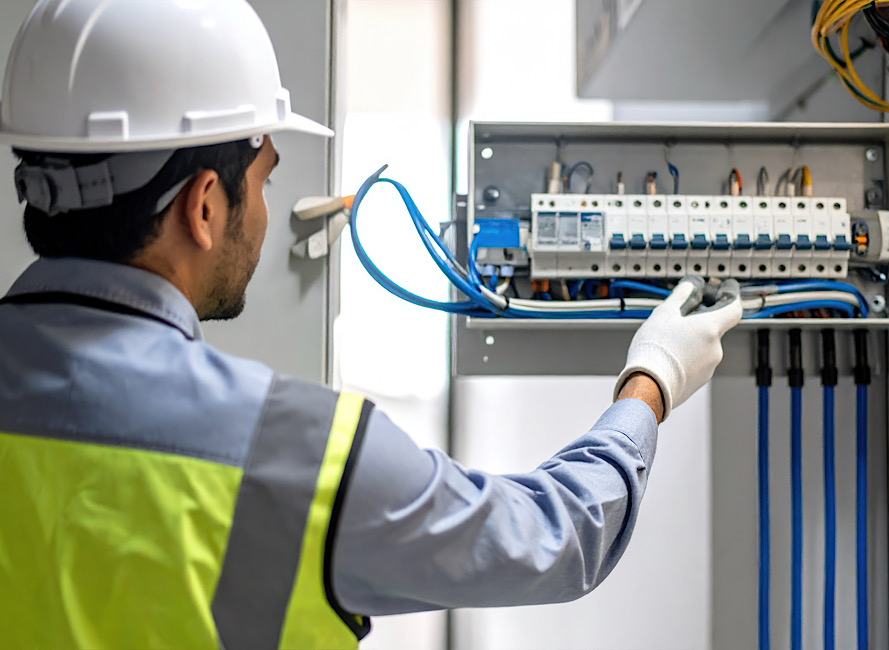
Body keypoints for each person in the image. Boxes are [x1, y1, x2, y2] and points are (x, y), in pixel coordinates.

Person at [0, 0, 744, 648]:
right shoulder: (300, 455)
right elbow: (556, 537)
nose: (264, 211)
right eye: (264, 180)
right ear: (203, 207)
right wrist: (652, 381)